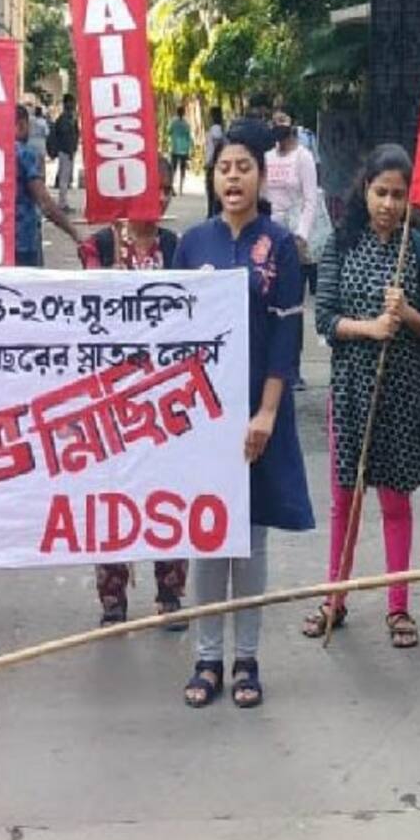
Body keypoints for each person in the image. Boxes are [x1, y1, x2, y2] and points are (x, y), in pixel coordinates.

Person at [173, 122, 311, 708]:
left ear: (261, 177)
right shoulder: (191, 245)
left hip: (259, 414)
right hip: (202, 416)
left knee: (250, 539)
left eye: (244, 167)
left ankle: (247, 658)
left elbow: (287, 334)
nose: (233, 176)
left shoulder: (278, 246)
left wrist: (268, 412)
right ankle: (207, 657)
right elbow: (170, 333)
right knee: (208, 536)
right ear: (213, 176)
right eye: (224, 167)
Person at [307, 144, 420, 650]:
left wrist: (407, 315)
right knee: (346, 502)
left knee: (395, 503)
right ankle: (335, 598)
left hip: (404, 391)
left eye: (399, 195)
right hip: (350, 390)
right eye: (380, 192)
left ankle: (398, 606)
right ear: (364, 189)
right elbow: (324, 319)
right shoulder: (339, 246)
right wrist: (370, 327)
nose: (389, 204)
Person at [80, 217, 186, 625]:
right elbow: (89, 300)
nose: (155, 200)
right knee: (111, 495)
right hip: (109, 393)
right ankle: (112, 599)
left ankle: (170, 593)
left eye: (162, 191)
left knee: (168, 494)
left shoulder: (178, 247)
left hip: (165, 391)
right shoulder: (98, 246)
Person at [14, 105, 87, 266]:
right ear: (21, 125)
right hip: (24, 243)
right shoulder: (25, 154)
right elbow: (45, 203)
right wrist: (75, 233)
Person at [263, 109, 324, 268]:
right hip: (270, 232)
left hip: (294, 233)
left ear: (293, 124)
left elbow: (311, 199)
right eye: (274, 121)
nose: (277, 125)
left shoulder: (303, 157)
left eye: (282, 120)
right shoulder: (268, 157)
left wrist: (301, 235)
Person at [50, 92, 81, 208]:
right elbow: (66, 136)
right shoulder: (65, 119)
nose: (74, 105)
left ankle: (63, 202)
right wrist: (70, 150)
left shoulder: (69, 118)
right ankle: (62, 203)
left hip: (67, 151)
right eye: (72, 103)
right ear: (67, 103)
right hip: (65, 151)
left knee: (66, 177)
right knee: (64, 178)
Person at [167, 109, 194, 194]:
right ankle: (181, 189)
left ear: (177, 113)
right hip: (184, 149)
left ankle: (172, 187)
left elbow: (169, 132)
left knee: (173, 169)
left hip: (175, 148)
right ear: (183, 113)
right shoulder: (186, 124)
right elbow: (189, 137)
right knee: (183, 169)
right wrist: (190, 148)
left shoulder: (173, 123)